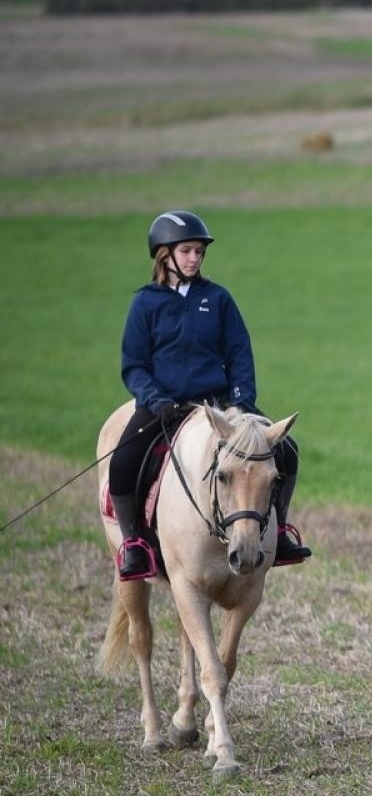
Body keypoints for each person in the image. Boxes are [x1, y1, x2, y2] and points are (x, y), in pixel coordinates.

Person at [109, 210, 311, 581]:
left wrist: (242, 402)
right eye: (186, 251)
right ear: (163, 255)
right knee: (122, 464)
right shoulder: (145, 304)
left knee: (287, 451)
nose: (194, 258)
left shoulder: (218, 299)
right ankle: (135, 543)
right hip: (164, 408)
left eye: (199, 252)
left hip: (220, 407)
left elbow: (239, 354)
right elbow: (134, 366)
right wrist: (157, 401)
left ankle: (279, 532)